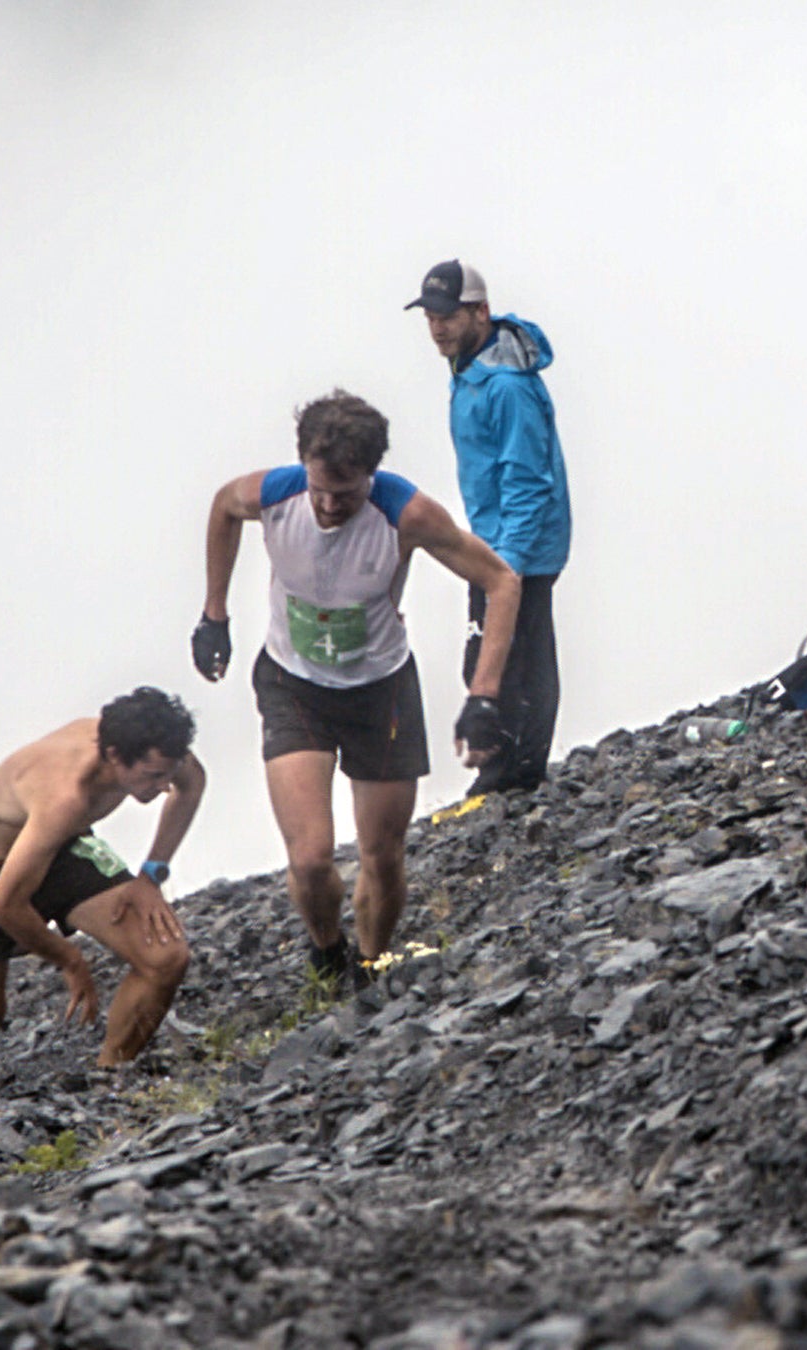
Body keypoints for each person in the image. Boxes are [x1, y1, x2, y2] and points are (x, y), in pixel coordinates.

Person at [191, 389, 520, 986]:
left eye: (345, 493)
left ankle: (369, 966)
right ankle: (326, 950)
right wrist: (214, 614)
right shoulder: (275, 493)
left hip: (381, 692)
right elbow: (221, 508)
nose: (327, 505)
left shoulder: (407, 515)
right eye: (319, 487)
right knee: (311, 858)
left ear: (372, 475)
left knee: (383, 856)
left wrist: (484, 695)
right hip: (294, 685)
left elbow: (501, 580)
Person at [0, 687, 203, 1126]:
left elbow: (192, 783)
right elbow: (5, 904)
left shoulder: (158, 751)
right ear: (115, 757)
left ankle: (108, 1086)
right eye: (152, 776)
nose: (163, 785)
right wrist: (70, 960)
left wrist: (151, 875)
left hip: (65, 851)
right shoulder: (65, 793)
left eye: (166, 773)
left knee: (166, 957)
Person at [406, 259, 571, 794]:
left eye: (448, 315)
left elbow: (527, 479)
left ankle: (516, 776)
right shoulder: (470, 370)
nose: (437, 327)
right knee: (494, 655)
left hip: (516, 548)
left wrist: (506, 569)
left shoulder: (506, 386)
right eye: (430, 316)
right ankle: (505, 773)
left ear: (480, 311)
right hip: (492, 542)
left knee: (514, 658)